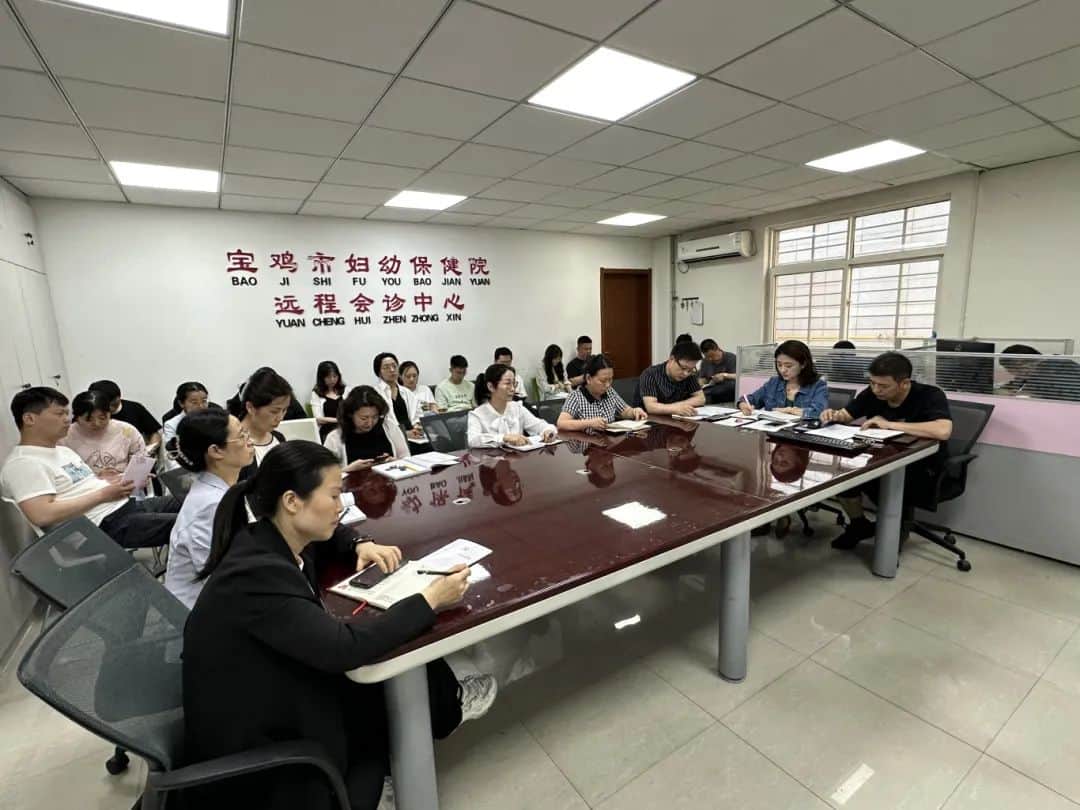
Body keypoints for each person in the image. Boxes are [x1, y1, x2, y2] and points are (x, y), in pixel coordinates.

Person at [182, 441, 496, 810]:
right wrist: (430, 599)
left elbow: (330, 540)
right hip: (263, 745)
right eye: (333, 496)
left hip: (269, 690)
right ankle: (444, 713)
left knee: (394, 641)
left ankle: (444, 705)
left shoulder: (268, 539)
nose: (340, 507)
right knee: (383, 645)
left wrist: (359, 543)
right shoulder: (256, 573)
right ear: (292, 501)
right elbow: (342, 649)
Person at [1, 387, 180, 544]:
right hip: (102, 525)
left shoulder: (62, 451)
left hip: (124, 507)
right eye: (59, 414)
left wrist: (113, 480)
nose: (67, 419)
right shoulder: (24, 463)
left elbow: (78, 487)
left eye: (66, 413)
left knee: (189, 500)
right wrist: (104, 494)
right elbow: (42, 515)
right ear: (29, 419)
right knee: (190, 524)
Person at [822, 352, 953, 550]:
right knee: (844, 476)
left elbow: (943, 430)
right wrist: (834, 415)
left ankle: (894, 533)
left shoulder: (929, 395)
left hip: (922, 467)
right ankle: (858, 525)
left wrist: (889, 424)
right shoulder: (872, 393)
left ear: (904, 383)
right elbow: (846, 415)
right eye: (872, 383)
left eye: (883, 386)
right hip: (880, 460)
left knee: (885, 481)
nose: (876, 389)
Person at [164, 407, 255, 609]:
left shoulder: (222, 489)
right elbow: (227, 580)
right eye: (242, 436)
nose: (250, 441)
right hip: (200, 613)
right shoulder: (210, 506)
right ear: (216, 451)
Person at [60, 390, 147, 480]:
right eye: (89, 419)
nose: (97, 423)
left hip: (125, 484)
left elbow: (141, 461)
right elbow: (62, 472)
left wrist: (138, 475)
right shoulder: (64, 435)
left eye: (102, 418)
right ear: (77, 417)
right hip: (87, 487)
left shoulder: (126, 431)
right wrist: (96, 478)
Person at [468, 364, 557, 448]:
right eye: (507, 383)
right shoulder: (477, 415)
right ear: (491, 386)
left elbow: (540, 425)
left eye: (514, 384)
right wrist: (504, 438)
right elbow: (473, 440)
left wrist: (548, 431)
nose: (513, 389)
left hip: (518, 457)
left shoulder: (517, 408)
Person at [325, 385, 410, 472]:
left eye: (375, 417)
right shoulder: (334, 438)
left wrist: (396, 463)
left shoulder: (389, 427)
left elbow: (406, 459)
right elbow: (325, 475)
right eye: (364, 418)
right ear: (350, 414)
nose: (370, 423)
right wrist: (349, 470)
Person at [738, 340, 827, 419]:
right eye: (779, 365)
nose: (782, 370)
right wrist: (743, 404)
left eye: (788, 366)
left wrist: (790, 411)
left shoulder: (818, 385)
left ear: (803, 364)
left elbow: (819, 412)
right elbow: (750, 399)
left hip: (802, 431)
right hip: (772, 430)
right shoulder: (773, 383)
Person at [557, 354, 648, 431]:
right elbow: (561, 423)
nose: (608, 385)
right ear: (588, 378)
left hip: (608, 442)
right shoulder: (576, 396)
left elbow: (625, 411)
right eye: (603, 381)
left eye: (610, 379)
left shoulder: (609, 391)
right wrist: (589, 423)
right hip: (587, 443)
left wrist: (634, 412)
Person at [228, 367, 293, 474]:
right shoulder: (233, 445)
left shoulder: (279, 438)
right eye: (274, 411)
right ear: (250, 407)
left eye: (284, 410)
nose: (280, 417)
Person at [635, 341, 706, 417]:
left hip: (676, 418)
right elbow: (651, 407)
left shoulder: (690, 375)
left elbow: (701, 398)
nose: (685, 373)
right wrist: (676, 408)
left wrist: (678, 407)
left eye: (690, 370)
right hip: (648, 420)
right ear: (671, 359)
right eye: (683, 368)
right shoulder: (650, 374)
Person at [372, 352, 428, 447]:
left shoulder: (406, 392)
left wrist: (417, 427)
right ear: (379, 372)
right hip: (393, 439)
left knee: (438, 442)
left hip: (414, 436)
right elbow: (381, 425)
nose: (392, 370)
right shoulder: (375, 394)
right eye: (386, 367)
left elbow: (418, 414)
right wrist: (405, 434)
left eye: (394, 366)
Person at [88, 379, 161, 447]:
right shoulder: (89, 413)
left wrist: (148, 451)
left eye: (113, 404)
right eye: (105, 406)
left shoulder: (135, 408)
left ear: (119, 396)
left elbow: (154, 434)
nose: (110, 409)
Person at [1000, 344, 1080, 401]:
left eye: (1011, 369)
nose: (1012, 373)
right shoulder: (1036, 369)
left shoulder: (1056, 370)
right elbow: (1019, 382)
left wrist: (1036, 395)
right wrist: (1005, 389)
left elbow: (1073, 397)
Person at [310, 360, 345, 442]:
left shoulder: (345, 390)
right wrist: (338, 420)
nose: (332, 380)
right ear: (322, 378)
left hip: (345, 428)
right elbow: (318, 419)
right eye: (328, 377)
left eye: (335, 376)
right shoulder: (316, 394)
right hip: (328, 430)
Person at [697, 339, 737, 404]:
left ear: (717, 349)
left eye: (712, 356)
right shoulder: (705, 361)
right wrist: (701, 382)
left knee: (731, 385)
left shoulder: (731, 358)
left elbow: (738, 377)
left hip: (727, 388)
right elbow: (703, 378)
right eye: (707, 357)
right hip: (712, 388)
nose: (710, 359)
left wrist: (724, 375)